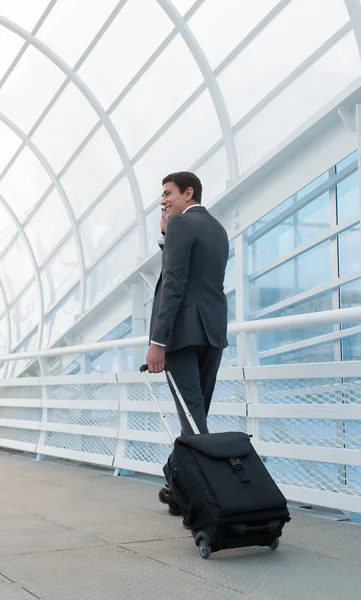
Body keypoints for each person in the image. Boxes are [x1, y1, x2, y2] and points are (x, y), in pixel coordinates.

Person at [145, 171, 229, 518]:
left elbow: (175, 285)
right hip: (212, 333)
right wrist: (168, 236)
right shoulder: (217, 228)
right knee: (196, 419)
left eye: (167, 193)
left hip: (181, 336)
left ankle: (213, 503)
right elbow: (197, 276)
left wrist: (157, 342)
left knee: (194, 425)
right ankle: (177, 489)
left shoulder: (181, 225)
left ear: (188, 192)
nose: (163, 200)